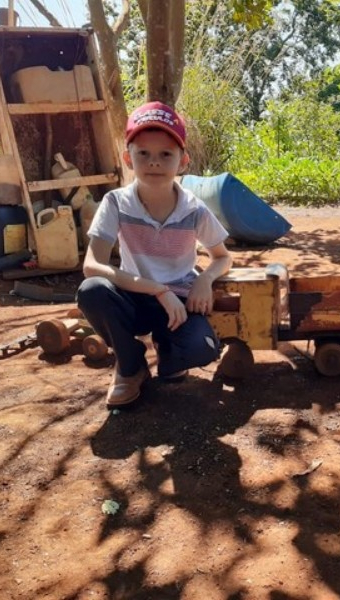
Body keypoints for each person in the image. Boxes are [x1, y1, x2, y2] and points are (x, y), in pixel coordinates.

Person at [77, 101, 233, 408]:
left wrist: (205, 280)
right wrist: (157, 289)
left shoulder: (193, 209)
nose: (154, 163)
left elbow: (224, 257)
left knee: (202, 350)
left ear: (183, 161)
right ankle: (130, 365)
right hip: (132, 298)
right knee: (92, 291)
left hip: (178, 303)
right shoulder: (116, 203)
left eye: (166, 154)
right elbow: (92, 265)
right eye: (143, 154)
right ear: (128, 158)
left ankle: (167, 348)